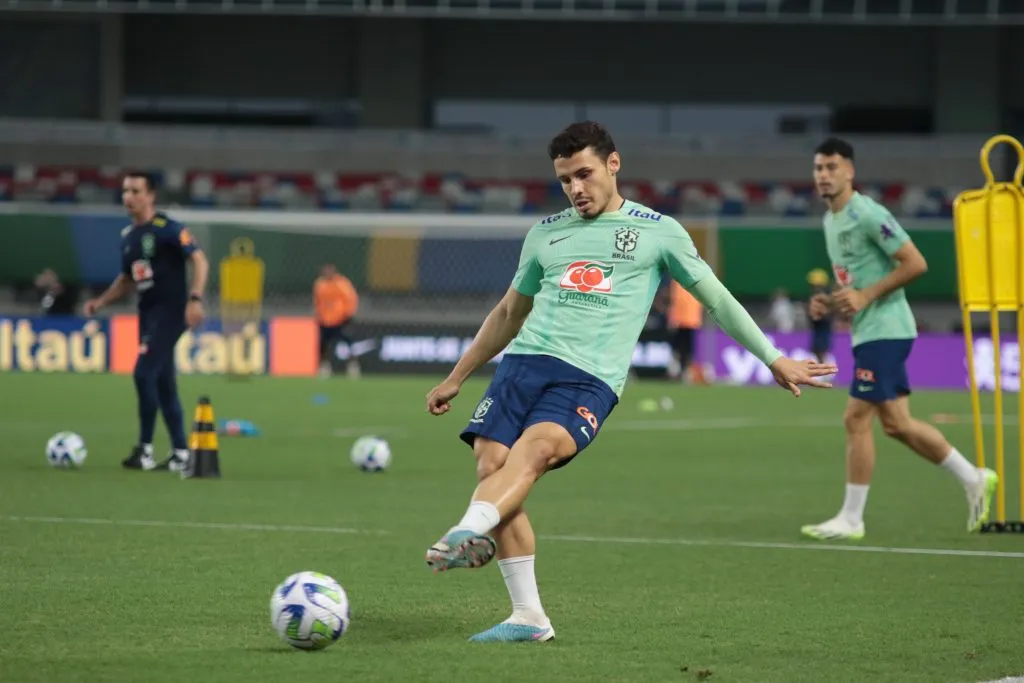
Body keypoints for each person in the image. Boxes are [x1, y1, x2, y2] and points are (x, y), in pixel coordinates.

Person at [422, 121, 837, 643]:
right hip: (522, 365)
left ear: (613, 165)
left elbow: (716, 298)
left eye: (585, 174)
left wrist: (774, 357)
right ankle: (528, 617)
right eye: (565, 179)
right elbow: (509, 311)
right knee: (493, 467)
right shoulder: (545, 233)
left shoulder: (658, 230)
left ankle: (466, 530)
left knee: (534, 453)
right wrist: (457, 376)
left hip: (588, 377)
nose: (576, 188)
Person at [801, 137, 997, 541]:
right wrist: (830, 303)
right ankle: (974, 477)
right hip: (869, 330)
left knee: (855, 418)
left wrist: (865, 296)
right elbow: (856, 285)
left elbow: (916, 262)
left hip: (887, 330)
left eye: (831, 167)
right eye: (819, 168)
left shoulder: (868, 213)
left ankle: (852, 519)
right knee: (897, 424)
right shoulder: (830, 220)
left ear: (850, 171)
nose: (823, 175)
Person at [84, 172, 209, 472]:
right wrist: (101, 302)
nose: (129, 197)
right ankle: (181, 453)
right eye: (126, 190)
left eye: (136, 191)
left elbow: (200, 259)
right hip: (148, 315)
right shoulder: (129, 237)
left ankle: (145, 449)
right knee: (164, 383)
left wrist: (195, 298)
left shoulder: (168, 229)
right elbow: (127, 279)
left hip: (171, 313)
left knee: (143, 374)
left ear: (151, 195)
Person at [314, 264, 360, 378]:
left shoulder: (342, 283)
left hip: (340, 319)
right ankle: (324, 367)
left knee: (348, 342)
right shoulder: (320, 284)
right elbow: (318, 301)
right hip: (325, 320)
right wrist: (319, 315)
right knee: (323, 345)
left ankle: (352, 366)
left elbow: (351, 299)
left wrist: (348, 315)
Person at [805, 268, 833, 364]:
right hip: (816, 329)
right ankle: (823, 368)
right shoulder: (812, 297)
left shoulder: (827, 298)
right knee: (816, 350)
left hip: (824, 328)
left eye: (818, 286)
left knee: (822, 350)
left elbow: (828, 315)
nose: (816, 288)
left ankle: (827, 371)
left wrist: (821, 314)